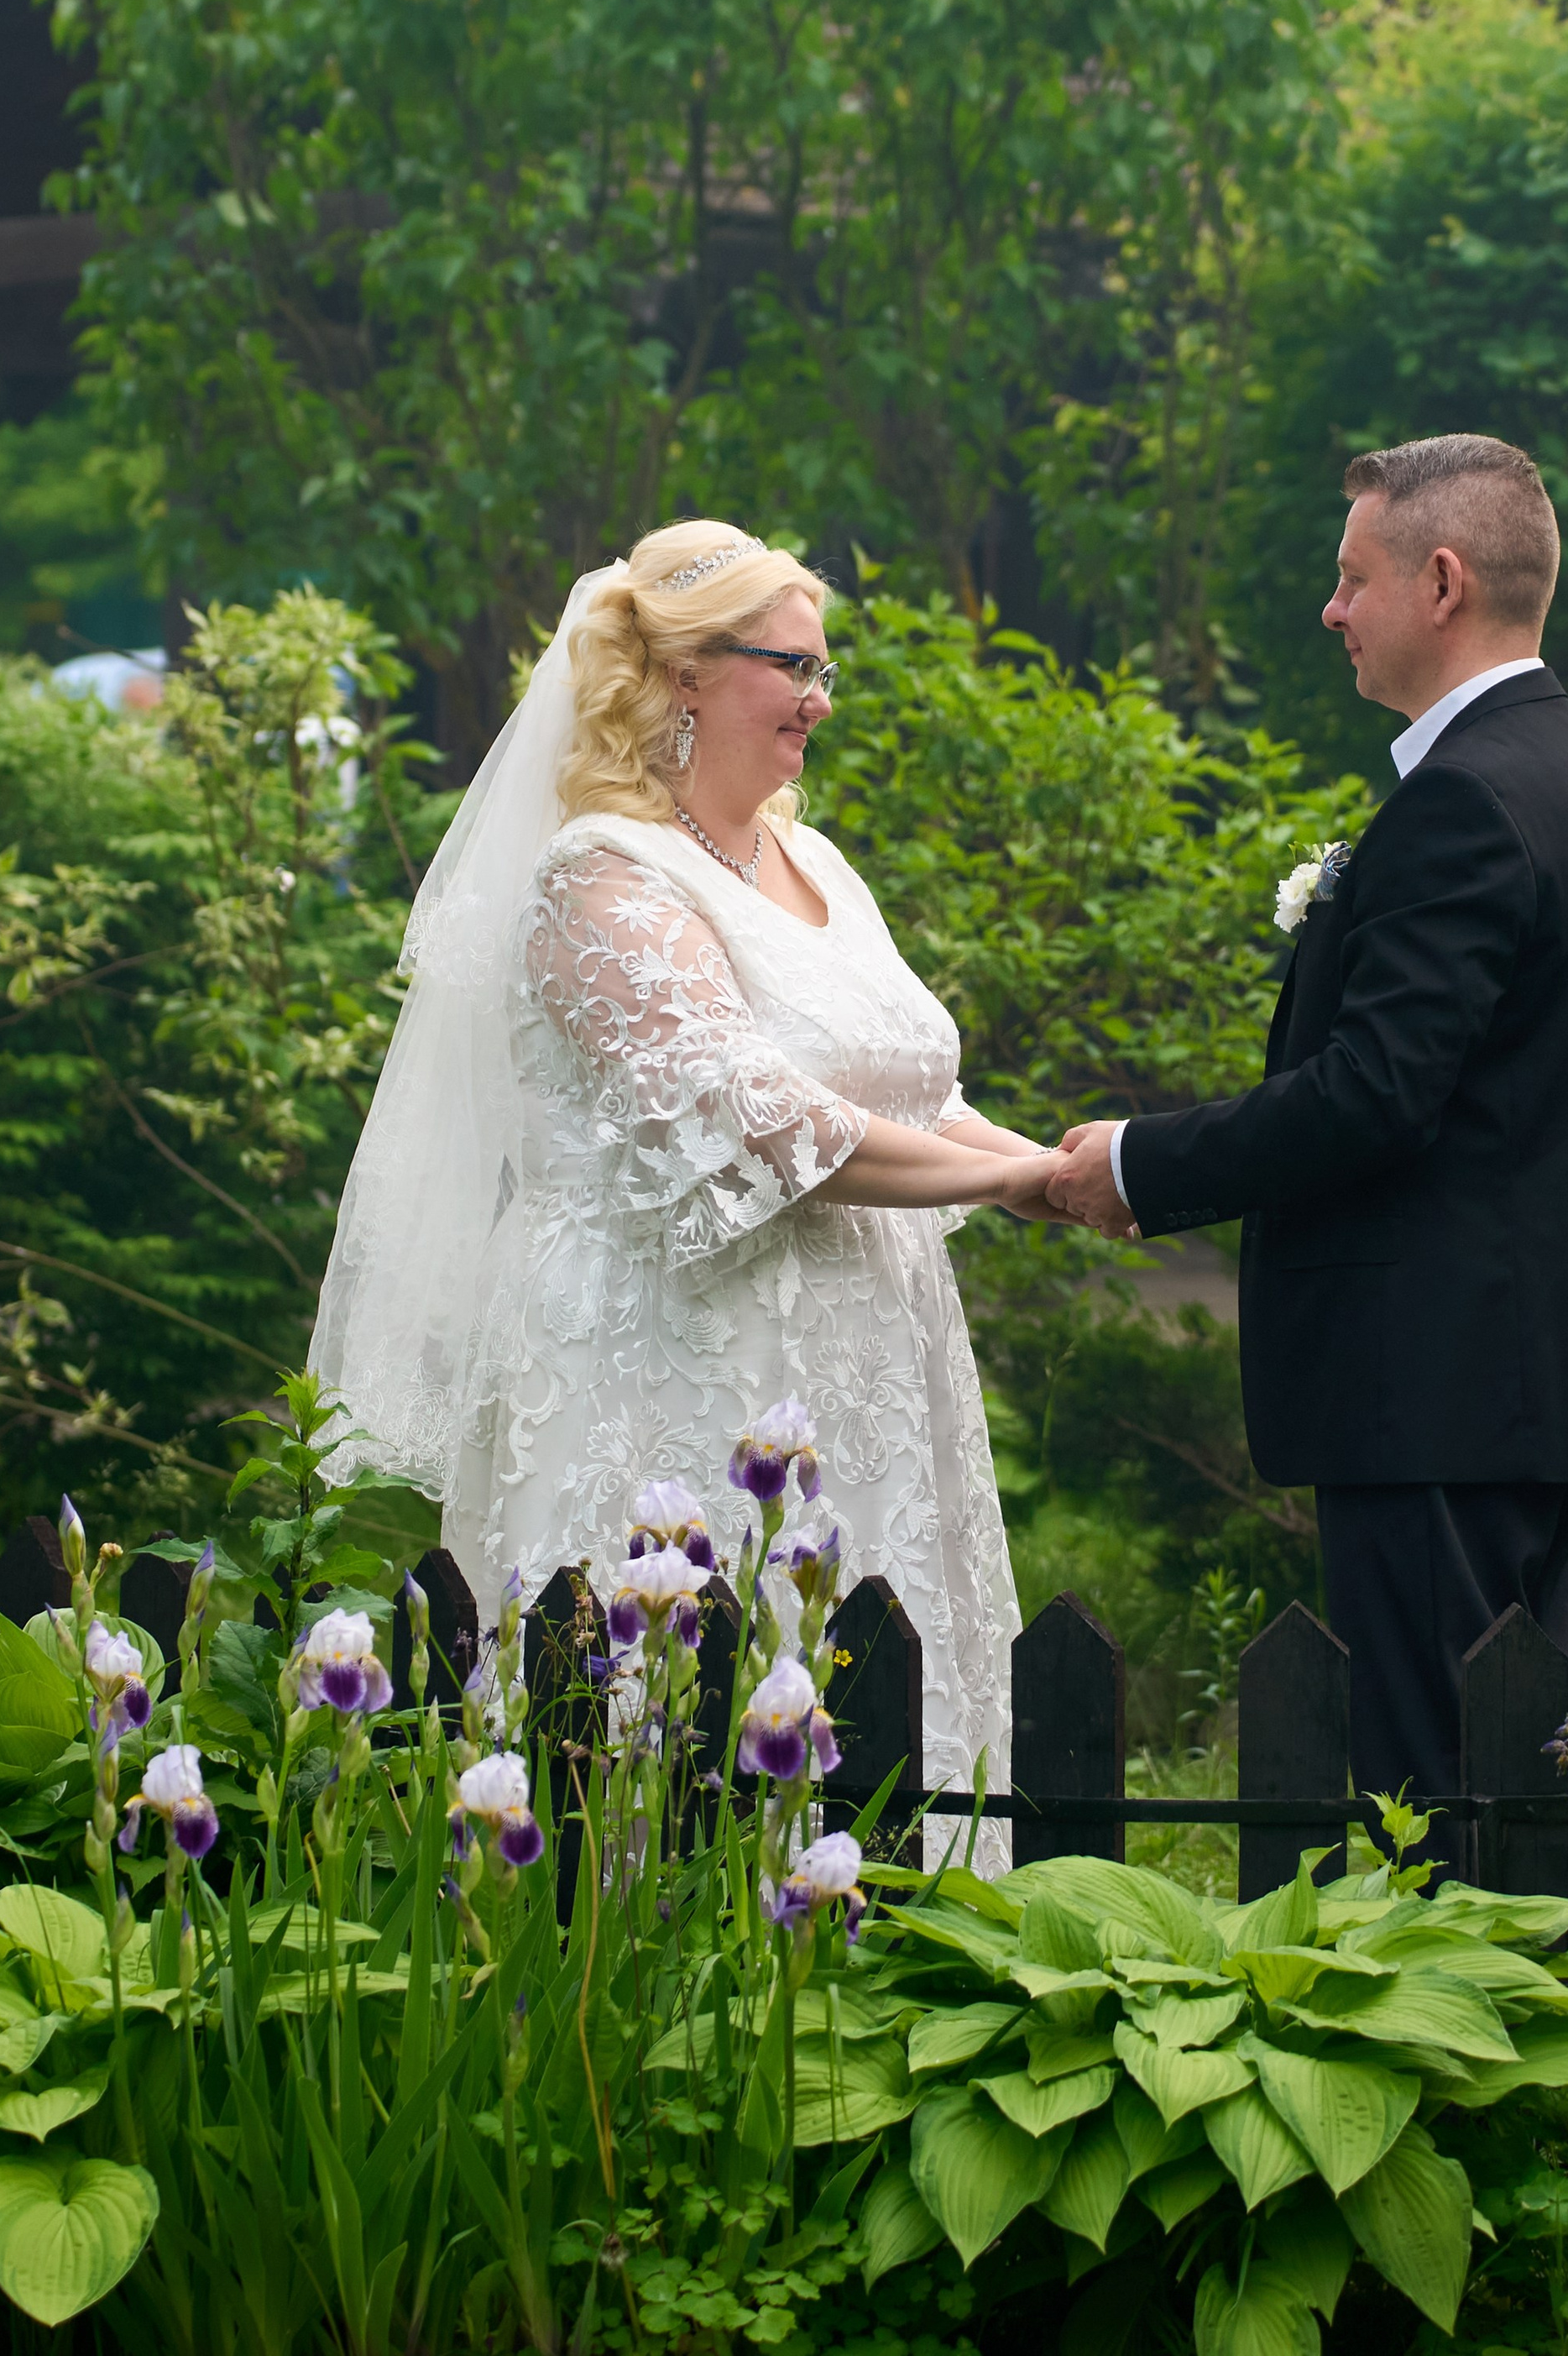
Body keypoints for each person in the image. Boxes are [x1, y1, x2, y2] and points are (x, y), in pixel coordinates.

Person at [311, 519, 1058, 1819]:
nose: (820, 701)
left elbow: (917, 1091)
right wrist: (1006, 1184)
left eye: (829, 673)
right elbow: (758, 1119)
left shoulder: (809, 859)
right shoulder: (597, 877)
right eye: (795, 668)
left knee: (869, 1687)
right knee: (680, 1708)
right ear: (687, 677)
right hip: (674, 1359)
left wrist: (1055, 1166)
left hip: (862, 1363)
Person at [1043, 434, 1568, 1810]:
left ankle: (1459, 2023)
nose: (1331, 610)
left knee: (1437, 1802)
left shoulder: (1469, 803)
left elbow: (1375, 1094)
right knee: (1508, 1786)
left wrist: (1137, 1163)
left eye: (1351, 577)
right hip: (1525, 1381)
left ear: (1441, 582)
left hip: (1434, 1392)